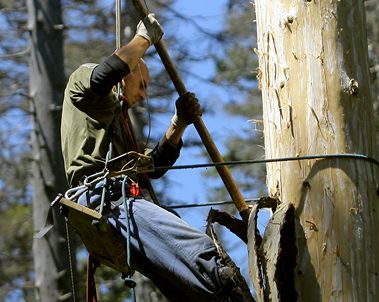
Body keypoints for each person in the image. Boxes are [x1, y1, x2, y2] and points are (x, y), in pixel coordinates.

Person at [60, 14, 252, 301]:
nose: (143, 95)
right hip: (105, 199)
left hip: (115, 203)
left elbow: (151, 168)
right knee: (202, 257)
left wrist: (179, 123)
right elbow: (104, 76)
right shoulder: (84, 83)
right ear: (126, 73)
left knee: (190, 288)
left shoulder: (116, 126)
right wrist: (144, 38)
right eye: (142, 85)